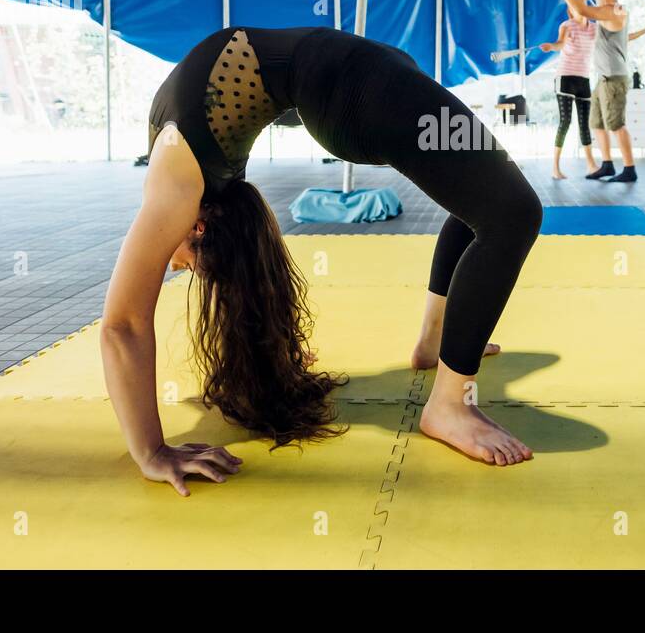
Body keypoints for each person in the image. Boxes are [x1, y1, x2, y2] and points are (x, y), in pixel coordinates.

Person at [101, 26, 542, 495]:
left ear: (198, 227)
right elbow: (126, 326)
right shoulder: (192, 171)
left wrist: (151, 450)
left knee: (493, 204)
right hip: (354, 77)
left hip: (353, 80)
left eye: (187, 265)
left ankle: (441, 367)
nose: (173, 265)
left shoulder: (177, 187)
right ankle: (449, 395)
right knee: (509, 211)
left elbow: (122, 323)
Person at [550, 0, 645, 183]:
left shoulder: (611, 12)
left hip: (614, 78)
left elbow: (582, 10)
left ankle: (629, 169)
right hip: (603, 78)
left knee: (616, 124)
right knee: (596, 123)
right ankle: (607, 164)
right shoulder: (608, 9)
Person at [539, 7, 599, 179]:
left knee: (584, 124)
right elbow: (560, 43)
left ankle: (591, 165)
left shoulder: (594, 28)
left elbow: (612, 38)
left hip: (583, 79)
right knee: (565, 121)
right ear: (571, 12)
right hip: (565, 78)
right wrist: (552, 46)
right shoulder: (567, 26)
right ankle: (555, 168)